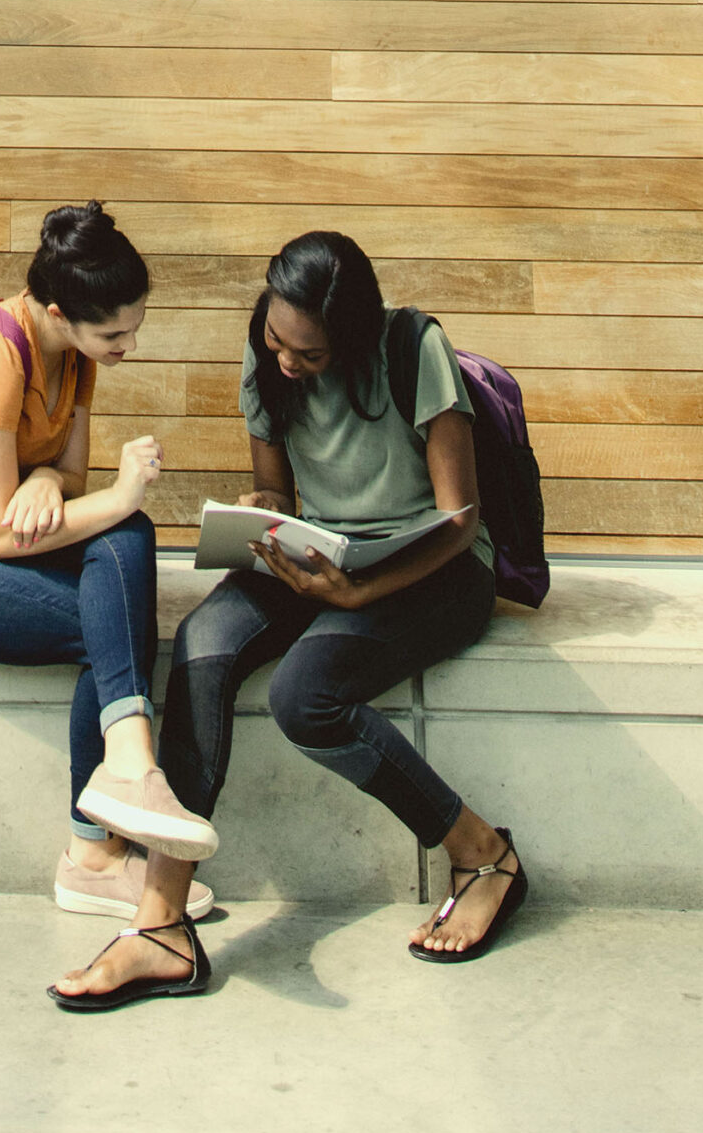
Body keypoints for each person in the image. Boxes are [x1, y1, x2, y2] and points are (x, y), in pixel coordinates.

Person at [50, 229, 527, 1012]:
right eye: (276, 339)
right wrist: (264, 515)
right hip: (327, 554)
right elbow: (275, 487)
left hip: (432, 569)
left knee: (304, 696)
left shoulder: (413, 348)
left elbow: (457, 519)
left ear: (354, 338)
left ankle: (481, 853)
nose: (286, 363)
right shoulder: (264, 350)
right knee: (202, 644)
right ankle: (161, 929)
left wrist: (358, 596)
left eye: (308, 355)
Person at [0, 201, 219, 920]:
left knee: (127, 541)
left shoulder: (73, 356)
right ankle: (103, 832)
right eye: (113, 333)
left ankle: (123, 782)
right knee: (110, 615)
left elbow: (69, 484)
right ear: (57, 311)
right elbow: (0, 534)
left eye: (134, 329)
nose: (128, 346)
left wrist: (50, 479)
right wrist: (119, 493)